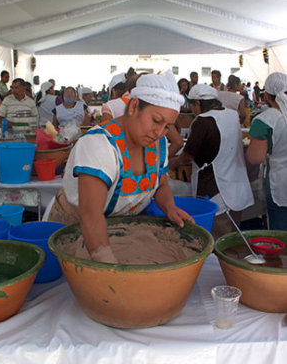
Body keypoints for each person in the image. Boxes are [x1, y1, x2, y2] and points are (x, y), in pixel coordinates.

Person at [48, 71, 194, 263]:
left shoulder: (158, 145)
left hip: (121, 229)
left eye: (168, 126)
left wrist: (169, 207)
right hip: (78, 228)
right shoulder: (99, 144)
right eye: (156, 121)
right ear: (134, 106)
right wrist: (107, 262)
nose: (160, 132)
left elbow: (161, 184)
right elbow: (90, 213)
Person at [169, 84, 254, 240]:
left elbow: (188, 156)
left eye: (192, 105)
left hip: (216, 190)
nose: (192, 109)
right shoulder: (231, 114)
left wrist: (170, 163)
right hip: (238, 187)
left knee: (214, 240)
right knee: (231, 240)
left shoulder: (203, 121)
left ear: (198, 104)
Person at [247, 72, 287, 230]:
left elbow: (255, 158)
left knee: (281, 231)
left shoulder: (266, 120)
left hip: (280, 180)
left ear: (267, 95)